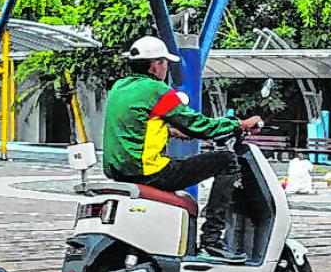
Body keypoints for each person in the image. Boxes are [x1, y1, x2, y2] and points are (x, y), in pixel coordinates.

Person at [102, 36, 262, 260]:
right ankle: (212, 239)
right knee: (226, 160)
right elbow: (199, 125)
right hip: (150, 172)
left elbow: (135, 125)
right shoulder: (157, 90)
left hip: (120, 172)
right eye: (165, 63)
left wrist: (171, 132)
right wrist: (239, 124)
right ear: (156, 64)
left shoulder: (119, 87)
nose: (166, 68)